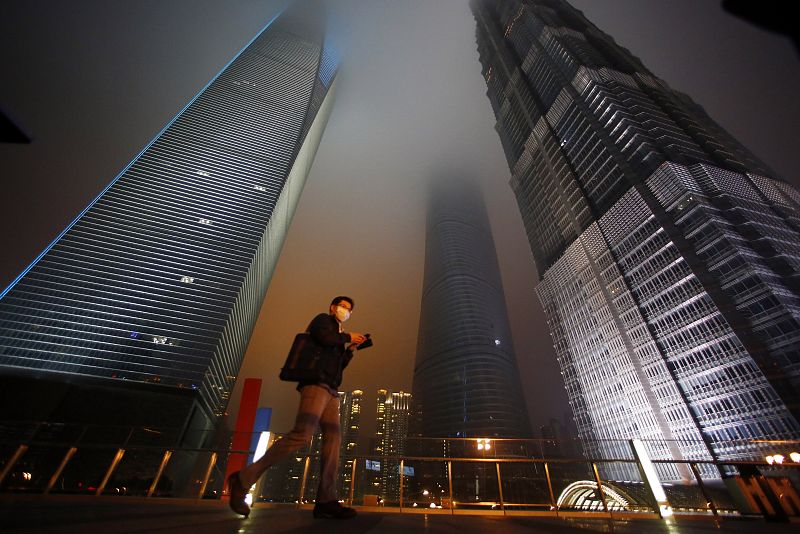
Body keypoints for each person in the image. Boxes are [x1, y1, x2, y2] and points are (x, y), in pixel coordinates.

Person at [227, 296, 367, 519]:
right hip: (315, 384)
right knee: (302, 435)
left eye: (349, 309)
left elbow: (338, 365)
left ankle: (326, 500)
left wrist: (350, 349)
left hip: (331, 390)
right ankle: (243, 479)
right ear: (332, 307)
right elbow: (322, 338)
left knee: (334, 441)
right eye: (342, 307)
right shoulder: (324, 321)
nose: (345, 311)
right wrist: (346, 336)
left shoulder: (338, 337)